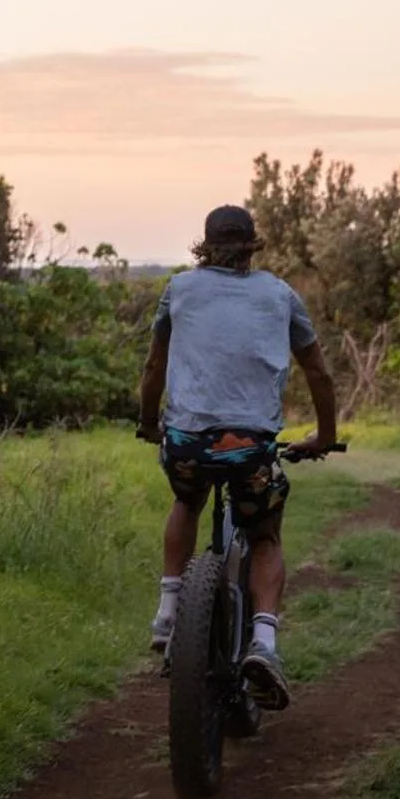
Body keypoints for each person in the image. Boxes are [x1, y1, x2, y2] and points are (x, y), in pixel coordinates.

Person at [136, 204, 338, 711]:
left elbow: (155, 362)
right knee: (264, 533)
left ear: (204, 245)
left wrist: (147, 422)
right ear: (252, 247)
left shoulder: (178, 290)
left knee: (187, 501)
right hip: (251, 448)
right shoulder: (279, 294)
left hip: (187, 443)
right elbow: (318, 374)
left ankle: (167, 612)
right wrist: (324, 436)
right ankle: (264, 645)